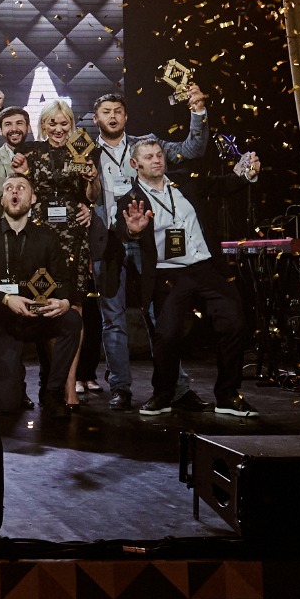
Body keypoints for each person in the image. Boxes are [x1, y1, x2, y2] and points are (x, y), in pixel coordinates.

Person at [117, 138, 259, 417]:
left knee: (234, 322)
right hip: (168, 273)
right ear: (135, 164)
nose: (157, 160)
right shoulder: (131, 200)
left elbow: (221, 185)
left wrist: (246, 174)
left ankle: (227, 396)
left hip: (205, 267)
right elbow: (121, 230)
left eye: (159, 154)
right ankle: (163, 394)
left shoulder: (184, 181)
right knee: (167, 335)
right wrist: (133, 231)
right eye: (149, 157)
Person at [91, 88, 209, 411]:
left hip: (148, 242)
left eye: (118, 111)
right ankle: (120, 388)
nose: (112, 116)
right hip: (108, 243)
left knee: (162, 316)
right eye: (106, 112)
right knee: (113, 320)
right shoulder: (86, 153)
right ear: (96, 119)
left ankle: (178, 388)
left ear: (126, 116)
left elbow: (191, 149)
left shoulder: (146, 146)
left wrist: (197, 112)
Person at [0, 174, 83, 417]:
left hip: (36, 317)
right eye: (9, 188)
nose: (15, 191)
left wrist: (64, 302)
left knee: (72, 319)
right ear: (2, 200)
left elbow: (63, 279)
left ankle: (52, 391)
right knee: (7, 404)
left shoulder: (47, 237)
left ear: (33, 198)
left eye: (21, 188)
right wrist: (5, 299)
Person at [17, 99, 99, 407]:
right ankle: (53, 380)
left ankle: (68, 386)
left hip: (73, 236)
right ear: (43, 125)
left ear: (72, 125)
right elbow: (22, 191)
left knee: (73, 309)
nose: (58, 128)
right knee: (45, 305)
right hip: (39, 236)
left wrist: (92, 183)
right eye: (52, 122)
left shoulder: (82, 152)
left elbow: (91, 196)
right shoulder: (31, 152)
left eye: (64, 123)